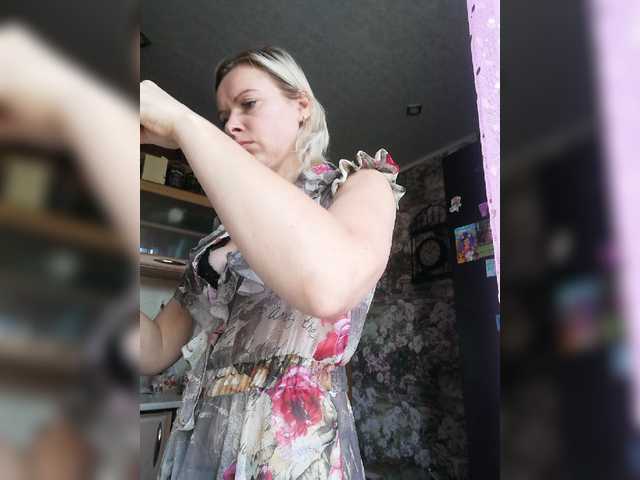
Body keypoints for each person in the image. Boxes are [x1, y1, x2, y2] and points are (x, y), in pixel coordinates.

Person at [139, 46, 406, 479]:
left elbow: (329, 284)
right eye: (223, 115)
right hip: (201, 446)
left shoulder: (359, 186)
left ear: (302, 106)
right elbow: (154, 349)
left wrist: (185, 123)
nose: (231, 125)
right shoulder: (217, 240)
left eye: (248, 103)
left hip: (289, 452)